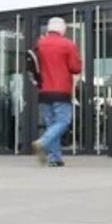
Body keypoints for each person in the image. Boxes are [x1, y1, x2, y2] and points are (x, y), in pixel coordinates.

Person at [31, 17, 83, 167]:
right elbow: (75, 68)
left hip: (44, 90)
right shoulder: (68, 44)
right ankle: (43, 141)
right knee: (63, 121)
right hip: (61, 89)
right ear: (62, 29)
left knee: (51, 123)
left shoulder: (39, 44)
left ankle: (55, 158)